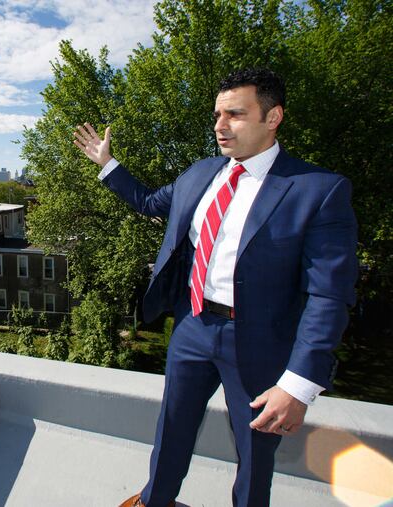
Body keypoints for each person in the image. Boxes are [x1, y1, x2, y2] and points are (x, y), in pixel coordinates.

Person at [72, 68, 357, 507]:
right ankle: (155, 500)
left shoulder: (317, 190)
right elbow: (150, 202)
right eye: (217, 114)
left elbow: (328, 295)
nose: (220, 126)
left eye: (235, 114)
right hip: (191, 326)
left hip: (259, 341)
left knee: (255, 455)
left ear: (273, 117)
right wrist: (106, 164)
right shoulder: (201, 172)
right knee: (172, 428)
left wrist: (299, 384)